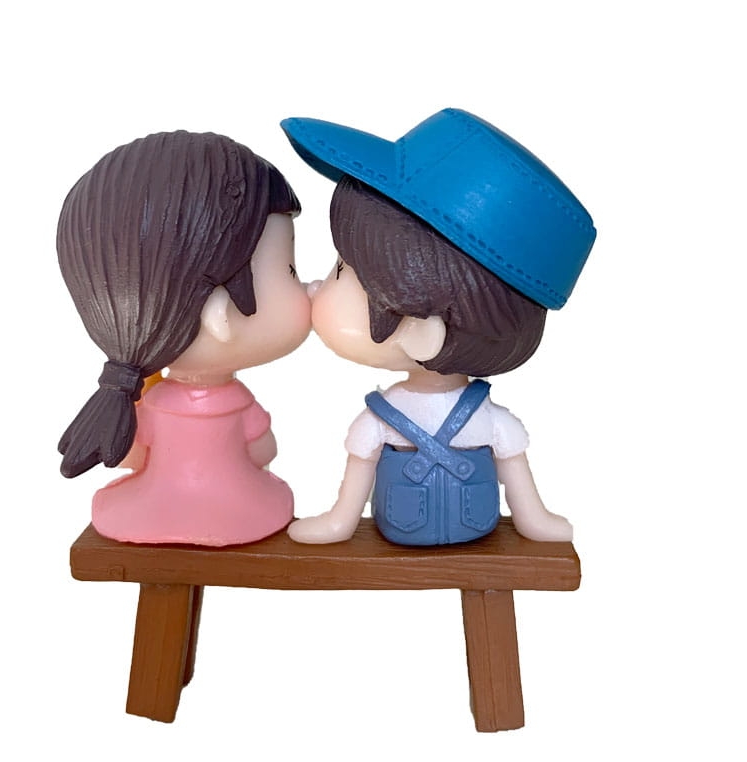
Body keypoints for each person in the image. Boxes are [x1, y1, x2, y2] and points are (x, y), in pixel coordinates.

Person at [280, 109, 596, 545]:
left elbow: (516, 473)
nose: (315, 286)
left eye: (341, 271)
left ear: (420, 327)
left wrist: (534, 520)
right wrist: (338, 523)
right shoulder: (448, 416)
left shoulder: (469, 419)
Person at [57, 131, 311, 545]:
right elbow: (264, 450)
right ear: (220, 316)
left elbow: (131, 456)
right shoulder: (232, 402)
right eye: (290, 271)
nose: (309, 288)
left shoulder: (150, 400)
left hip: (147, 505)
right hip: (241, 508)